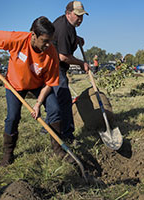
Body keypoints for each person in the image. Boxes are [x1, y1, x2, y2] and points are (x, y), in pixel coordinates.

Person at [0, 16, 71, 167]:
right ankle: (8, 154)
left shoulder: (51, 53)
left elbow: (50, 83)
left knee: (55, 110)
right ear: (33, 35)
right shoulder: (16, 39)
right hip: (15, 84)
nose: (48, 44)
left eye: (50, 40)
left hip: (39, 85)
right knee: (12, 117)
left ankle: (58, 150)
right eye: (45, 40)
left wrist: (38, 103)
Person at [52, 1, 90, 143]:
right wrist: (81, 63)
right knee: (64, 100)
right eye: (77, 15)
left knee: (55, 100)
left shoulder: (69, 25)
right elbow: (63, 57)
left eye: (82, 16)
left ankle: (49, 127)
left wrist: (76, 40)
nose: (80, 19)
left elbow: (68, 40)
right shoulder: (63, 28)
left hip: (57, 67)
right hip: (55, 68)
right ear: (68, 13)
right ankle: (67, 135)